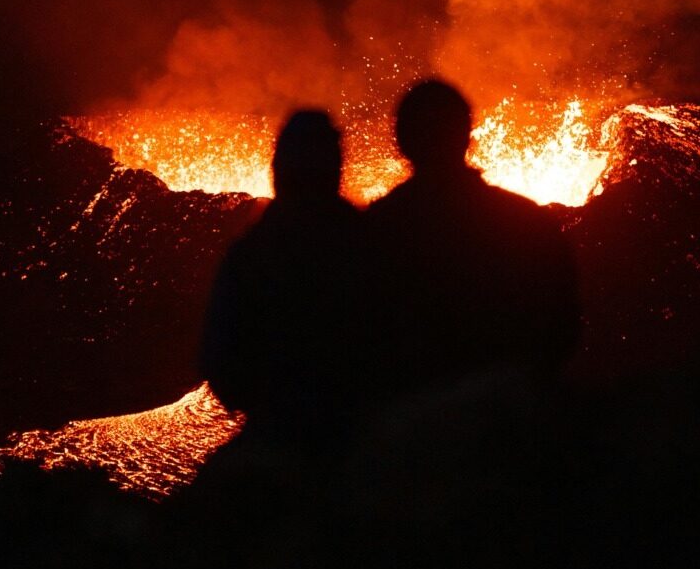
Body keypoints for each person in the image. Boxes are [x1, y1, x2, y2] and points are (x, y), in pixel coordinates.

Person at [365, 79, 581, 397]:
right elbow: (562, 326)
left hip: (407, 416)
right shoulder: (524, 223)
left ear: (401, 140)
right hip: (504, 418)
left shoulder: (374, 233)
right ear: (467, 134)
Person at [200, 110, 364, 452]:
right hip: (359, 438)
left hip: (275, 438)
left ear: (277, 169)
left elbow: (220, 359)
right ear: (336, 169)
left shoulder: (251, 255)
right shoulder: (371, 244)